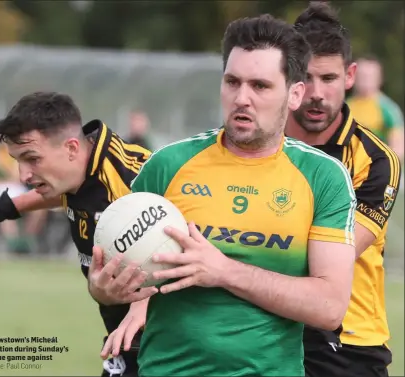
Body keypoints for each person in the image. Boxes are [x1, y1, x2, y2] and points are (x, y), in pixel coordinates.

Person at [91, 14, 357, 376]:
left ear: (294, 94)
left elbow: (329, 307)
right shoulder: (168, 164)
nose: (241, 98)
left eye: (260, 86)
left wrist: (224, 271)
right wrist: (106, 289)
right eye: (232, 82)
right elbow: (117, 274)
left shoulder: (323, 177)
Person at [0, 91, 157, 377]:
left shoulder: (132, 179)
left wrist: (140, 306)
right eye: (18, 161)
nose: (23, 174)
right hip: (123, 337)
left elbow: (176, 236)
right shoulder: (78, 171)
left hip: (163, 341)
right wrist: (2, 208)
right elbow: (64, 190)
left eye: (32, 159)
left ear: (71, 148)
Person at [286, 3, 401, 377]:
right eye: (306, 78)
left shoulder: (376, 160)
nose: (317, 93)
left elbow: (335, 255)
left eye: (330, 78)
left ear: (349, 76)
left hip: (349, 343)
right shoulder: (255, 145)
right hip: (268, 331)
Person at [0, 139, 48, 254]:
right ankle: (13, 243)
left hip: (15, 189)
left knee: (40, 207)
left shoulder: (15, 155)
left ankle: (27, 240)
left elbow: (18, 179)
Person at [347, 55, 404, 160]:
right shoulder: (346, 106)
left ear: (379, 78)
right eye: (362, 76)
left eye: (370, 77)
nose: (366, 81)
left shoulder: (388, 109)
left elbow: (398, 148)